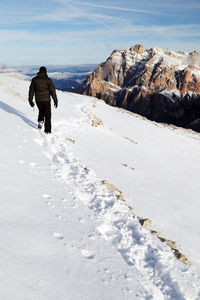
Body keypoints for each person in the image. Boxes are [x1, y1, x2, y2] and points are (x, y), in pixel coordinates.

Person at [28, 66, 58, 133]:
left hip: (38, 100)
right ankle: (47, 131)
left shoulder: (34, 79)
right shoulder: (48, 80)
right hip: (46, 100)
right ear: (45, 72)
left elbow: (31, 91)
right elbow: (52, 91)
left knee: (41, 111)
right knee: (48, 115)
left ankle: (40, 121)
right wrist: (55, 100)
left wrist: (30, 100)